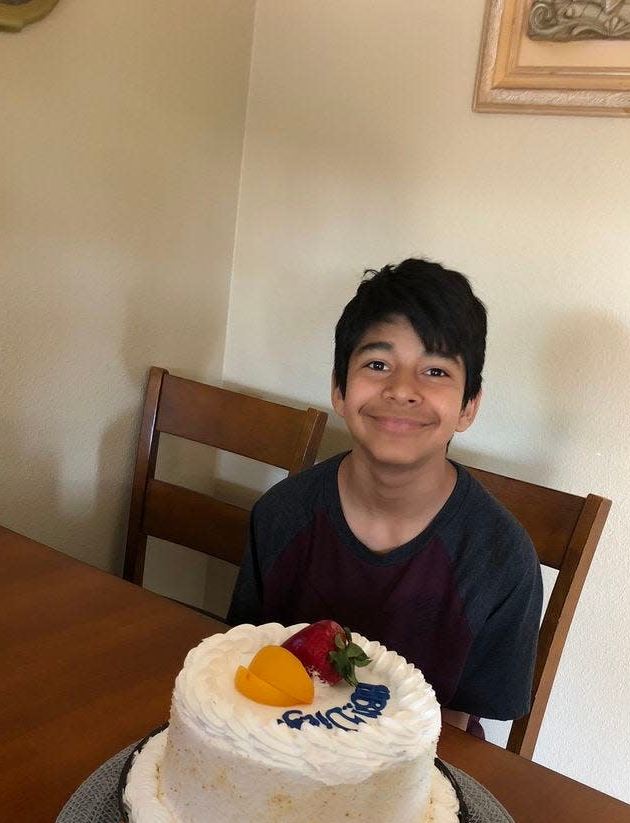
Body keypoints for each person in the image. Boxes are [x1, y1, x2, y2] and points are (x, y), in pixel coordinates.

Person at [227, 258, 542, 732]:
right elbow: (248, 659)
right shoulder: (281, 515)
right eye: (378, 365)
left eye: (435, 372)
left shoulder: (501, 560)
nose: (401, 390)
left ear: (468, 406)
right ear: (339, 388)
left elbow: (463, 732)